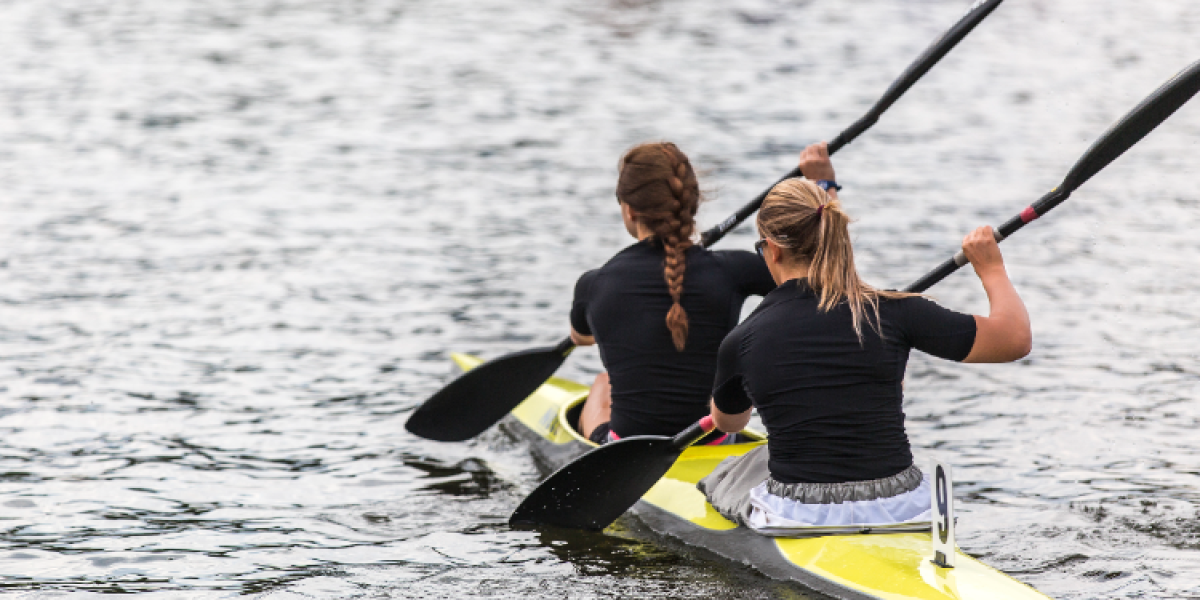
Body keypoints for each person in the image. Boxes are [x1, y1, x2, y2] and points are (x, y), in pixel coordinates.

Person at [702, 144, 1032, 533]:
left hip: (800, 513)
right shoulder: (891, 310)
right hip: (902, 504)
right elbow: (1014, 339)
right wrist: (991, 268)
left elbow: (729, 421)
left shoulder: (743, 339)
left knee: (725, 475)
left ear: (771, 250)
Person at [571, 141, 803, 444]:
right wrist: (823, 184)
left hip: (627, 449)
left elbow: (581, 337)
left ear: (628, 211)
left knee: (603, 383)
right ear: (691, 204)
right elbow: (810, 278)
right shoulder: (733, 271)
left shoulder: (594, 284)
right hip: (712, 439)